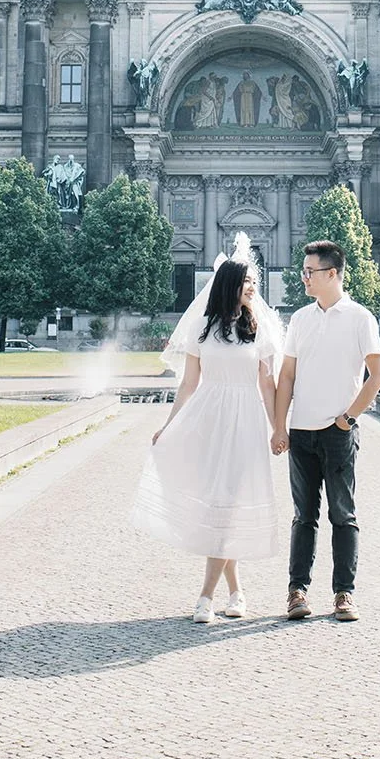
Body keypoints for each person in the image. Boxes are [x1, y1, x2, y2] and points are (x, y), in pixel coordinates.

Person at [132, 240, 283, 623]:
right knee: (219, 506)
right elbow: (188, 384)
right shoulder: (203, 327)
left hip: (245, 420)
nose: (253, 286)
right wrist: (169, 425)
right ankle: (235, 592)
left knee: (226, 506)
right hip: (210, 417)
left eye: (254, 281)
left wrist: (277, 427)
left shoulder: (260, 327)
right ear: (228, 284)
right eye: (247, 281)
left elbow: (268, 385)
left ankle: (205, 597)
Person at [272, 241, 380, 622]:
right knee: (303, 516)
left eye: (310, 272)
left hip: (338, 433)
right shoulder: (301, 319)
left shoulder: (360, 318)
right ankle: (297, 591)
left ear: (332, 274)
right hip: (301, 431)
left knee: (343, 515)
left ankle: (344, 594)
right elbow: (286, 376)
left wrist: (348, 418)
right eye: (303, 271)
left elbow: (377, 376)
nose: (303, 277)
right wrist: (279, 425)